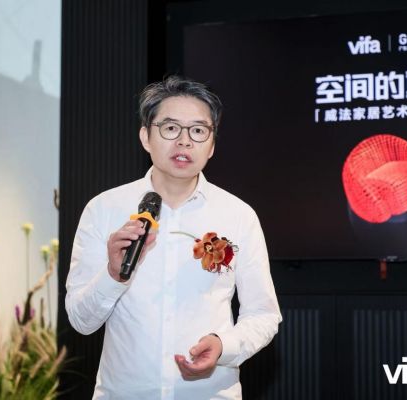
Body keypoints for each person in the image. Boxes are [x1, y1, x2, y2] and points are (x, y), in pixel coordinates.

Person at [65, 75, 282, 399]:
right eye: (170, 128)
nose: (184, 141)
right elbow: (81, 321)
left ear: (212, 145)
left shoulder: (238, 215)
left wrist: (224, 346)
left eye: (198, 131)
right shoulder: (104, 209)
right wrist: (113, 274)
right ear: (146, 137)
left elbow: (263, 314)